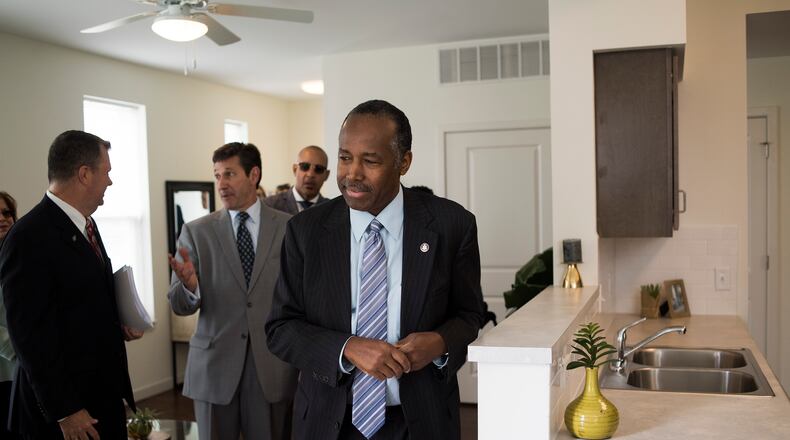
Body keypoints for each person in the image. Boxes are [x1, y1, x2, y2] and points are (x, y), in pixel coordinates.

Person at [266, 100, 485, 440]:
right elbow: (281, 328)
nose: (352, 174)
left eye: (370, 161)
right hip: (327, 421)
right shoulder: (305, 231)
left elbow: (471, 315)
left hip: (421, 421)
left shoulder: (451, 225)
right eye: (344, 158)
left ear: (404, 162)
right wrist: (347, 348)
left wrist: (439, 342)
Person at [0, 130, 142, 439]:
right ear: (84, 174)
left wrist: (117, 323)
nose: (110, 181)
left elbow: (75, 304)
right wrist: (66, 410)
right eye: (107, 172)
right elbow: (29, 335)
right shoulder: (28, 237)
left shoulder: (87, 224)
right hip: (67, 414)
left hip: (100, 397)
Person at [168, 142, 297, 440]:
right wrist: (190, 287)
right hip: (214, 367)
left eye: (229, 174)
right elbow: (178, 303)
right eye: (217, 175)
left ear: (254, 175)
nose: (221, 184)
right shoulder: (196, 231)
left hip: (271, 365)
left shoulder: (289, 228)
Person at [264, 145, 330, 214]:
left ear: (326, 175)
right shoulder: (269, 206)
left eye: (319, 169)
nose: (310, 174)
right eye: (304, 166)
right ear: (295, 169)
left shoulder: (334, 210)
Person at [0, 191, 18, 439]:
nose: (3, 218)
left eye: (6, 212)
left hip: (25, 374)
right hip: (6, 371)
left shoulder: (19, 255)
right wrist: (20, 351)